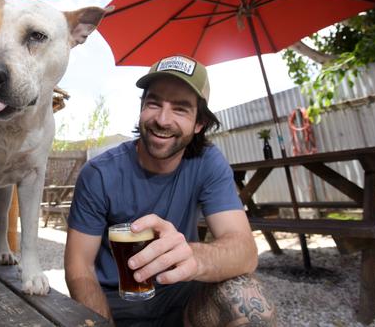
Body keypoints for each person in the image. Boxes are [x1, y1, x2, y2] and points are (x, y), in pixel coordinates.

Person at [64, 55, 276, 326]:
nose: (163, 120)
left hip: (182, 295)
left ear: (199, 123)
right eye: (154, 103)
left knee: (246, 298)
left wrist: (194, 258)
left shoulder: (207, 162)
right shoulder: (99, 174)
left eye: (180, 108)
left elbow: (244, 250)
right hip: (116, 305)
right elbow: (79, 267)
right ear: (141, 107)